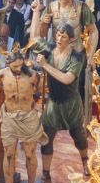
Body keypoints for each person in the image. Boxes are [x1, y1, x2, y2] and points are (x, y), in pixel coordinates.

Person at [35, 23, 89, 168]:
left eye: (63, 36)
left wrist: (45, 65)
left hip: (71, 104)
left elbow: (67, 79)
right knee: (46, 138)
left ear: (71, 39)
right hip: (53, 102)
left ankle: (85, 163)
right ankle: (46, 172)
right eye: (58, 35)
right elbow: (34, 38)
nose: (59, 39)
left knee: (79, 137)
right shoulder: (51, 49)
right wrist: (36, 12)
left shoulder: (77, 57)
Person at [0, 50, 46, 183]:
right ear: (8, 64)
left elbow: (39, 91)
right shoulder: (1, 75)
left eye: (20, 65)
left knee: (30, 154)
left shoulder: (32, 76)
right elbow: (0, 87)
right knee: (9, 155)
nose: (18, 68)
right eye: (14, 66)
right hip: (10, 118)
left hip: (28, 117)